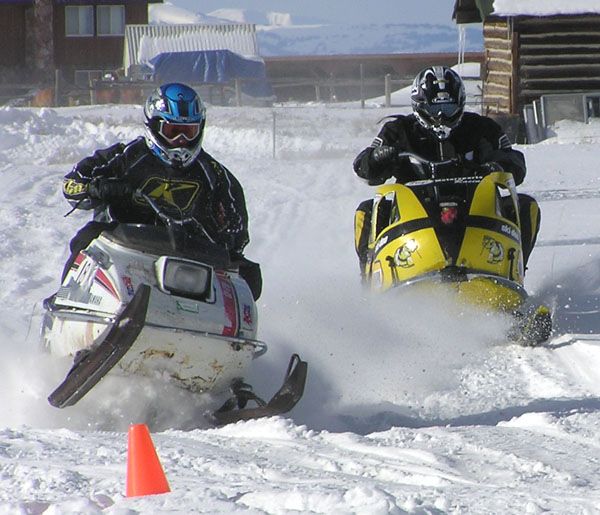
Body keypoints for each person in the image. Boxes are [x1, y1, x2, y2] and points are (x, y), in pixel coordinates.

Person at [60, 82, 262, 299]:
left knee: (249, 276)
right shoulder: (125, 157)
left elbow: (237, 235)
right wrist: (97, 187)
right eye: (173, 131)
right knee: (85, 238)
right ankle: (67, 300)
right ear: (154, 126)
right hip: (120, 247)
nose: (181, 141)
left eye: (188, 132)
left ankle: (231, 328)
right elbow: (71, 184)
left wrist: (214, 232)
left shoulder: (216, 175)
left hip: (187, 258)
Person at [353, 65, 540, 277]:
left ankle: (513, 271)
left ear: (460, 103)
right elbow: (363, 167)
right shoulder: (399, 130)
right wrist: (378, 157)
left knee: (527, 206)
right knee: (366, 211)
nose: (441, 116)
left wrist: (497, 164)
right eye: (434, 109)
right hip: (413, 212)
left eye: (449, 108)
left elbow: (514, 160)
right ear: (420, 105)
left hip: (476, 207)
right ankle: (370, 278)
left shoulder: (482, 128)